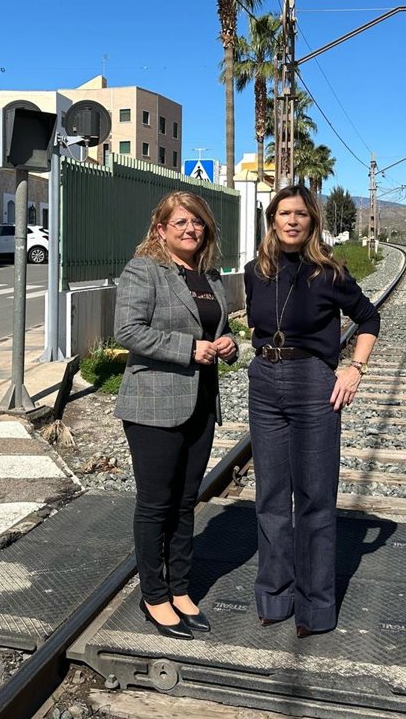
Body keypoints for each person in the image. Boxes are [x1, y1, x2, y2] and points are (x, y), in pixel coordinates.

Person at [244, 184, 380, 637]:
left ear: (312, 221)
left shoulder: (330, 273)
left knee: (315, 498)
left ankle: (316, 607)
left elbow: (369, 318)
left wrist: (355, 369)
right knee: (270, 497)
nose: (292, 221)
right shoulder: (254, 272)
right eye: (284, 213)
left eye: (300, 214)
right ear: (272, 220)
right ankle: (274, 596)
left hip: (313, 383)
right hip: (265, 381)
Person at [114, 191, 239, 639]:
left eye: (198, 222)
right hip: (153, 405)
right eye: (181, 222)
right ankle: (154, 595)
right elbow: (128, 330)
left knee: (186, 502)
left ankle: (181, 588)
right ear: (161, 229)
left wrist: (229, 344)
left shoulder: (210, 276)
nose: (191, 229)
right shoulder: (143, 270)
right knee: (155, 505)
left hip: (200, 403)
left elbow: (217, 328)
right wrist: (188, 349)